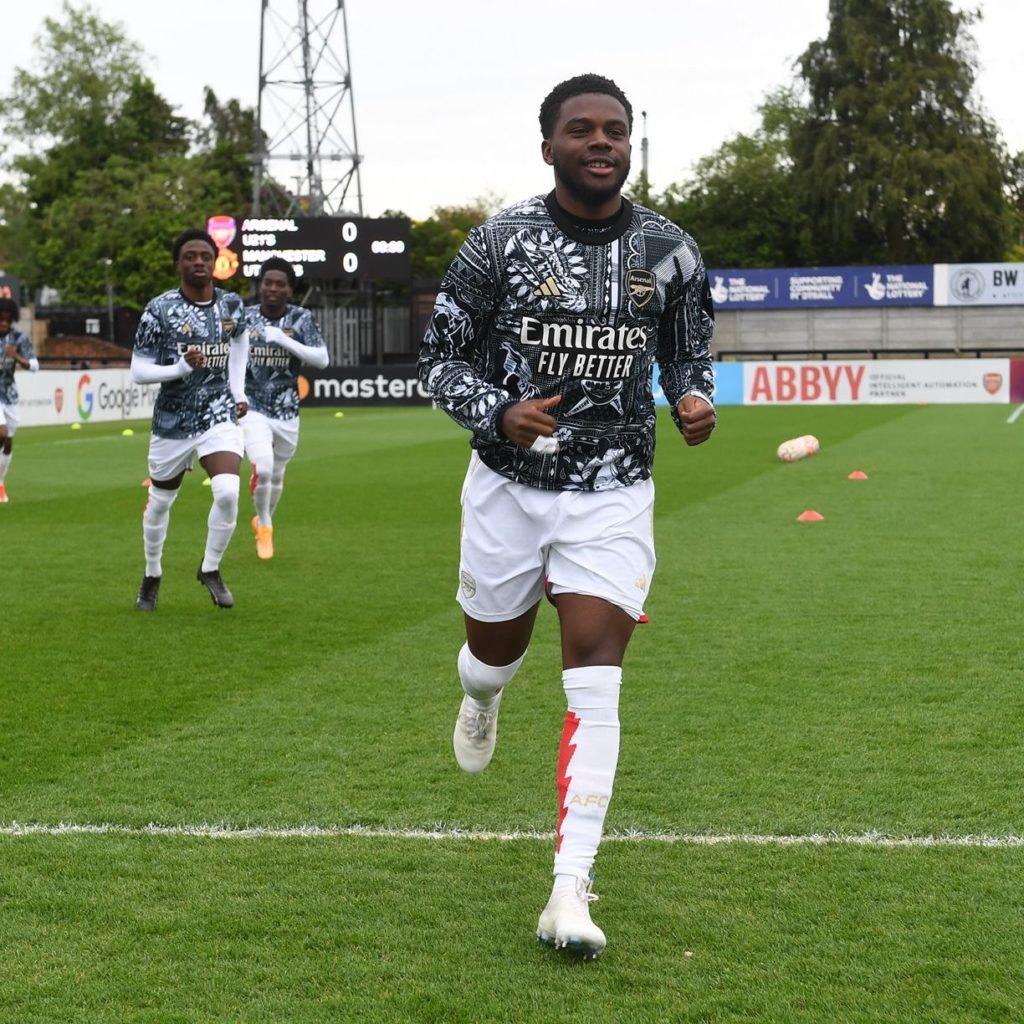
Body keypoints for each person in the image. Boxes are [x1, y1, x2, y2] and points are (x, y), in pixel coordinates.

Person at [417, 73, 716, 959]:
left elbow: (689, 353)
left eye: (614, 130)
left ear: (631, 143)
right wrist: (496, 412)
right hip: (509, 486)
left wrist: (693, 399)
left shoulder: (671, 249)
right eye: (580, 130)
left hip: (616, 490)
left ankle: (570, 889)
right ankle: (481, 698)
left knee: (597, 672)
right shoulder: (498, 242)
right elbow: (438, 360)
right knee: (491, 657)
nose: (600, 142)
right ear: (547, 145)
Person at [130, 229, 250, 611]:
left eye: (205, 255)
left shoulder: (231, 304)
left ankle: (210, 568)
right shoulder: (159, 309)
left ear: (215, 262)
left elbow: (240, 341)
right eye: (190, 256)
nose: (198, 261)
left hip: (218, 413)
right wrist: (179, 367)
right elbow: (138, 370)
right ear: (178, 263)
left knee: (229, 492)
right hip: (173, 419)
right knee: (161, 502)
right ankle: (151, 575)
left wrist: (239, 391)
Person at [242, 257, 328, 559]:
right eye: (268, 282)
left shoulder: (301, 318)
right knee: (263, 467)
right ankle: (264, 526)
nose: (273, 289)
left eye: (280, 284)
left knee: (276, 476)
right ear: (260, 285)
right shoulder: (246, 316)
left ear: (290, 289)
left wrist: (284, 340)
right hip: (252, 407)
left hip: (287, 410)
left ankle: (262, 517)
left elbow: (322, 359)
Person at [0, 297, 40, 503]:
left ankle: (0, 482)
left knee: (8, 441)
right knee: (2, 433)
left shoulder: (18, 338)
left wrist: (17, 357)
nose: (4, 323)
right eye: (1, 319)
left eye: (8, 320)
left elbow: (34, 365)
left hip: (10, 394)